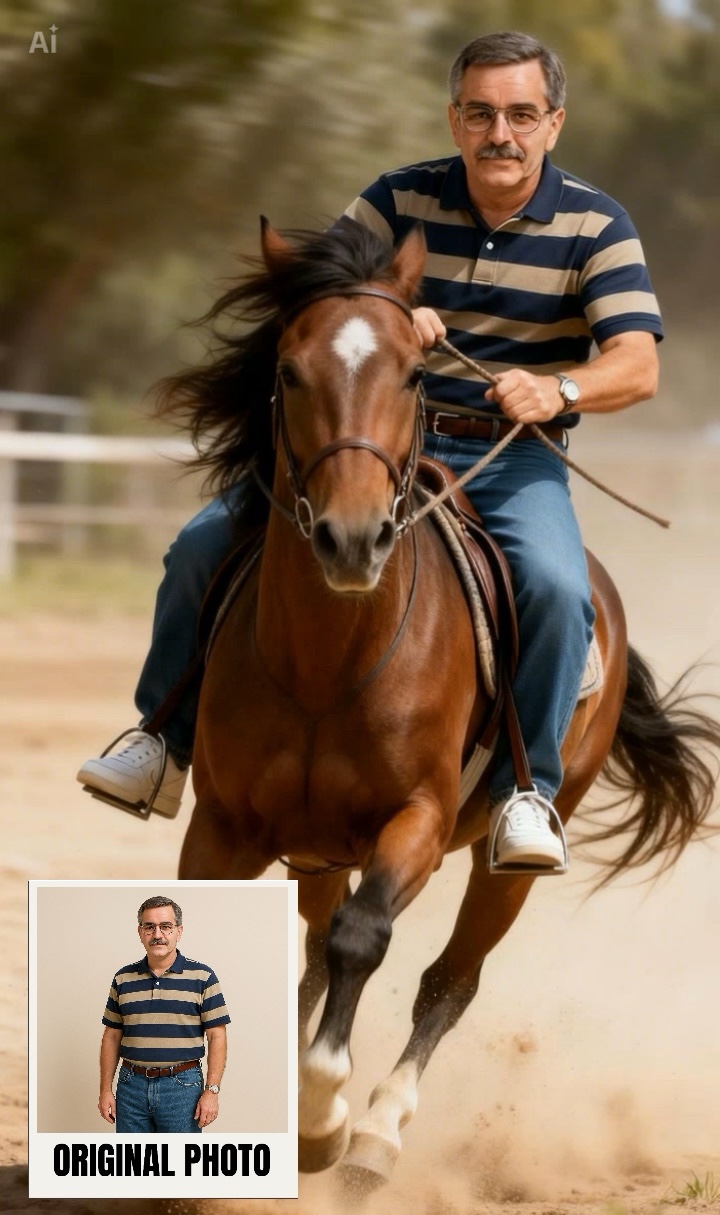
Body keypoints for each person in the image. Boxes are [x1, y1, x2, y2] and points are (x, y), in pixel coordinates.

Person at [78, 30, 662, 871]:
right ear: (454, 119)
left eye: (521, 115)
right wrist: (387, 307)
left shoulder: (598, 224)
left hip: (510, 454)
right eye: (480, 113)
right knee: (198, 547)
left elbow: (637, 364)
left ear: (554, 123)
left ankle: (525, 793)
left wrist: (558, 390)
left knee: (557, 586)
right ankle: (160, 742)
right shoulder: (396, 198)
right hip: (370, 434)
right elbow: (324, 300)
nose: (500, 133)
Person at [98, 895, 230, 1133]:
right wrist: (105, 1090)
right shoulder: (123, 978)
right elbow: (112, 1036)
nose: (157, 934)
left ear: (179, 931)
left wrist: (212, 1092)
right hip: (130, 1087)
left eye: (166, 926)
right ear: (140, 932)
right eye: (149, 927)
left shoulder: (203, 977)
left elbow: (217, 1036)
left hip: (183, 1087)